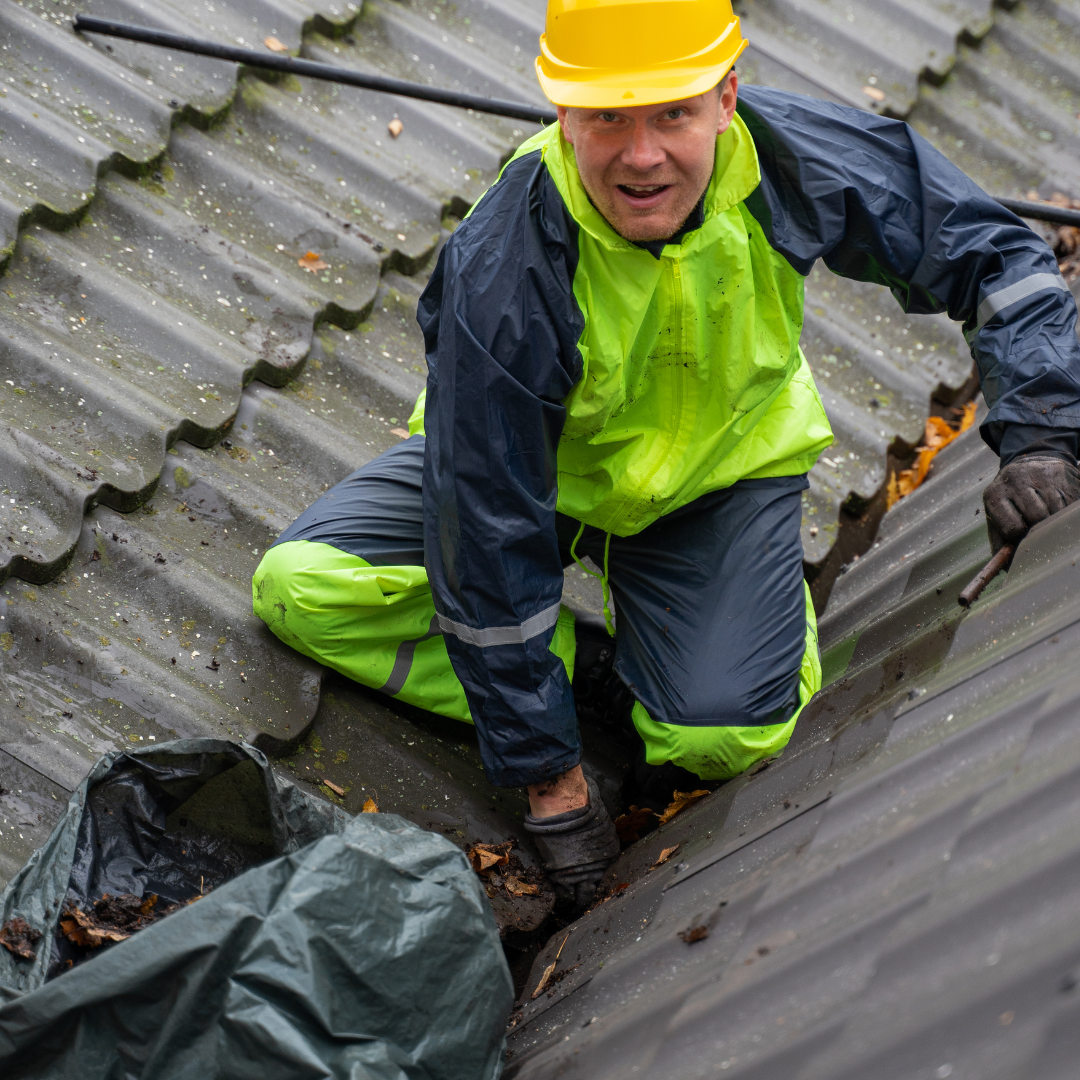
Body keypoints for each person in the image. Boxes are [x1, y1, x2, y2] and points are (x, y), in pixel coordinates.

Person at [254, 0, 1080, 911]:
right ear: (561, 114)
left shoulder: (788, 158)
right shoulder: (507, 262)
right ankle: (587, 679)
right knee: (305, 586)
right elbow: (488, 524)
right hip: (540, 483)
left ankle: (689, 643)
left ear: (726, 99)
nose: (641, 156)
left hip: (713, 485)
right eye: (608, 116)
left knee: (728, 737)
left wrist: (1042, 430)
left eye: (672, 114)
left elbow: (995, 257)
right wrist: (550, 778)